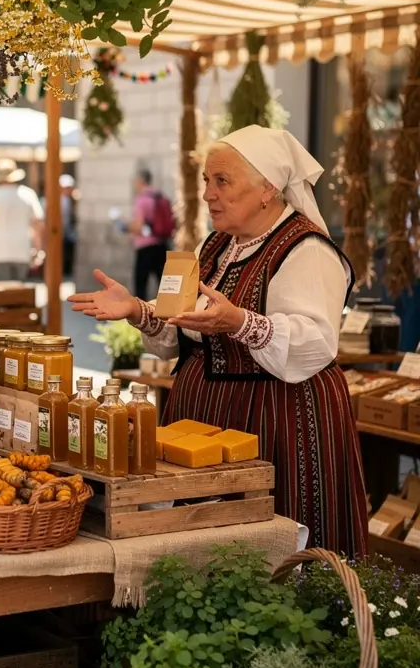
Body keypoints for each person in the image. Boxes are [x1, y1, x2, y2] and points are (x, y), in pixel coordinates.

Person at [70, 125, 367, 558]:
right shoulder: (217, 246)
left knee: (273, 541)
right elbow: (182, 324)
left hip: (276, 422)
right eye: (206, 180)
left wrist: (240, 322)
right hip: (203, 416)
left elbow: (315, 342)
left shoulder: (306, 250)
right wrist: (138, 310)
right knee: (205, 546)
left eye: (222, 181)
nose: (208, 193)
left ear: (267, 188)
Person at [0, 158, 43, 282]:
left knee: (0, 294)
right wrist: (38, 249)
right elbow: (37, 224)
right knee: (18, 293)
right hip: (22, 249)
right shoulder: (28, 195)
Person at [129, 168, 173, 300]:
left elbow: (138, 226)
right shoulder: (159, 196)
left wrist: (126, 227)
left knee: (140, 285)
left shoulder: (141, 200)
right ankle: (167, 315)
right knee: (165, 286)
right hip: (162, 245)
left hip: (145, 247)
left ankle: (140, 317)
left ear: (140, 181)